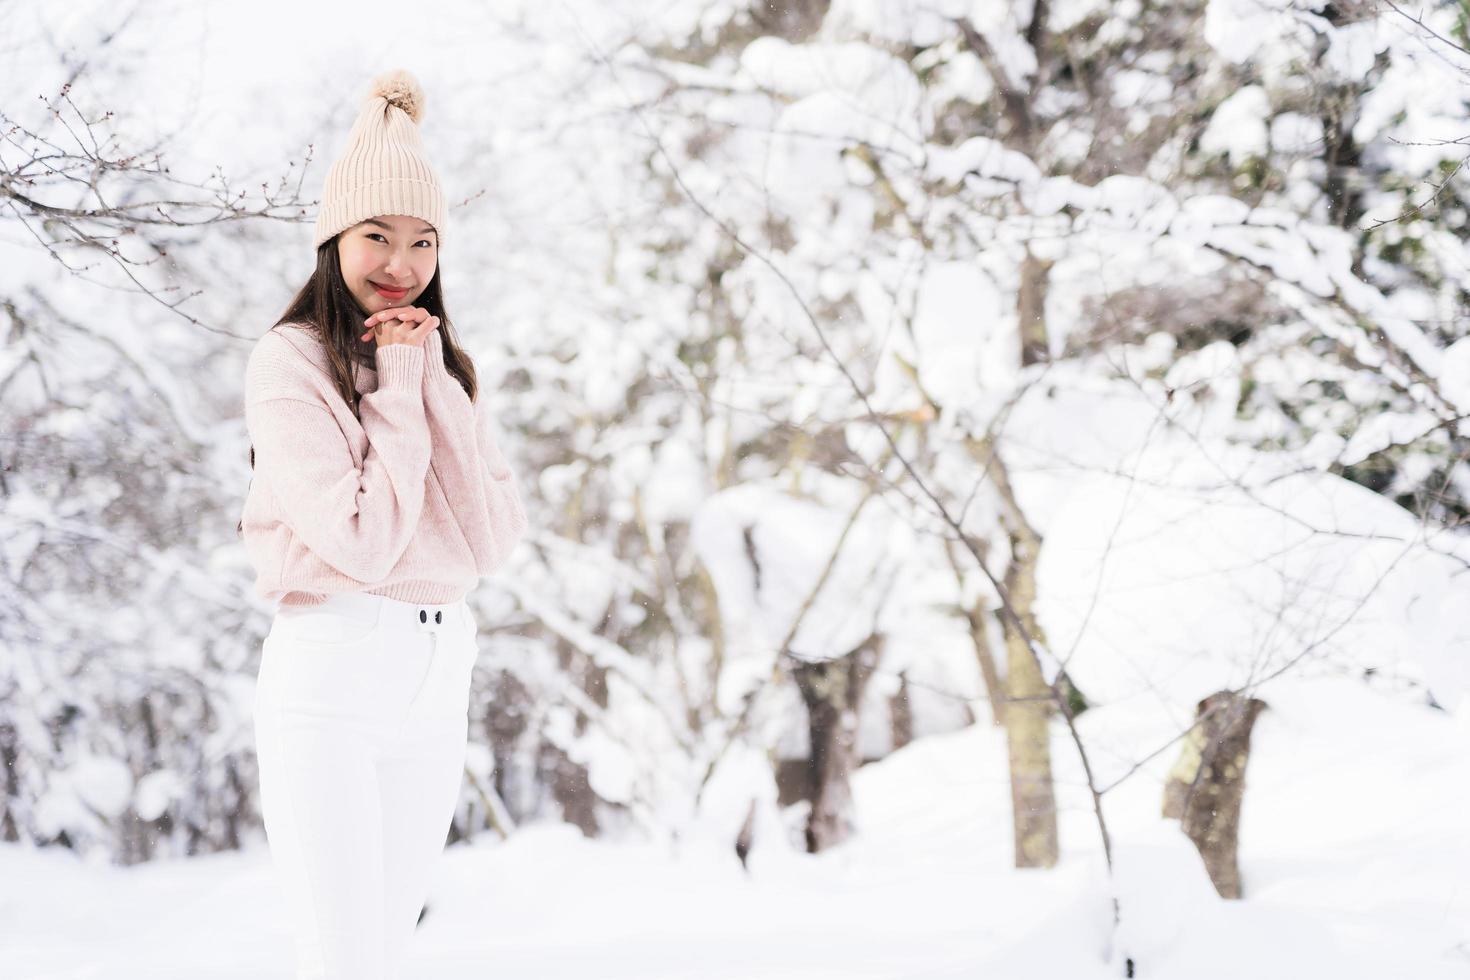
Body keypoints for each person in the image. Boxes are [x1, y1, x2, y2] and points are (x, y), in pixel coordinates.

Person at [238, 68, 528, 980]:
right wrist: (399, 390)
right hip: (334, 663)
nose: (399, 264)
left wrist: (431, 385)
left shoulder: (446, 371)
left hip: (439, 671)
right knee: (346, 958)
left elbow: (488, 544)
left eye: (422, 242)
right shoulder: (289, 365)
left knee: (388, 953)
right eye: (376, 236)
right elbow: (361, 541)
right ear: (335, 240)